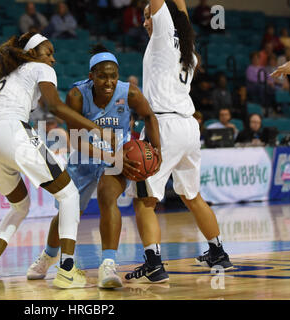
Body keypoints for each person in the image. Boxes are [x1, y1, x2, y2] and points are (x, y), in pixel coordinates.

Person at [0, 32, 115, 289]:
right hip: (11, 132)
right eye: (47, 52)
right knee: (69, 194)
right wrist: (98, 130)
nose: (53, 58)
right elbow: (56, 107)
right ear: (32, 54)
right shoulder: (39, 68)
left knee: (20, 207)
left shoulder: (9, 76)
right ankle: (68, 270)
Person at [26, 45, 161, 289]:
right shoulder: (77, 95)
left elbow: (149, 116)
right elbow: (76, 140)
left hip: (117, 157)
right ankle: (48, 255)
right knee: (68, 211)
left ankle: (108, 264)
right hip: (85, 156)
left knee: (107, 198)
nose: (108, 81)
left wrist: (157, 148)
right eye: (102, 76)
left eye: (113, 76)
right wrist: (107, 155)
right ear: (92, 76)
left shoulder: (129, 93)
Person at [125, 0, 232, 284]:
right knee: (192, 196)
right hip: (187, 125)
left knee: (144, 200)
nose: (145, 21)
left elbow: (167, 9)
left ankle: (154, 264)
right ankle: (218, 253)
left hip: (164, 125)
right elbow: (181, 13)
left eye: (148, 16)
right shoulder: (187, 47)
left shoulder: (162, 35)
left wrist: (160, 9)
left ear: (162, 19)